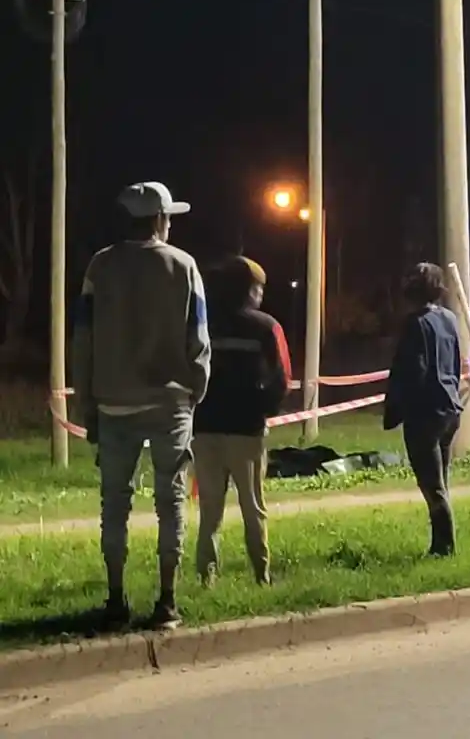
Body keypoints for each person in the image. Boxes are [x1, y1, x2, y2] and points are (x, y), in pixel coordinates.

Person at [71, 182, 210, 631]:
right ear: (159, 220)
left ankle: (115, 599)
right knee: (170, 502)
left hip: (113, 402)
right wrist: (195, 392)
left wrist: (87, 403)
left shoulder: (100, 266)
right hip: (170, 402)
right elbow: (199, 340)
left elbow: (83, 340)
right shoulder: (183, 265)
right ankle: (167, 603)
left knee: (114, 504)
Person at [194, 256, 292, 586]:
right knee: (253, 506)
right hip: (247, 432)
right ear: (249, 290)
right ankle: (261, 574)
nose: (261, 294)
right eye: (259, 288)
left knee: (209, 509)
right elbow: (283, 378)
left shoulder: (202, 324)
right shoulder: (267, 327)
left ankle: (206, 576)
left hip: (204, 429)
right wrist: (264, 410)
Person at [383, 262, 463, 557]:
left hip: (425, 413)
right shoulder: (449, 319)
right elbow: (455, 362)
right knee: (441, 480)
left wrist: (398, 408)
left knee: (431, 484)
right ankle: (442, 542)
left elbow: (411, 371)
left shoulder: (415, 323)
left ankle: (444, 546)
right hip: (450, 408)